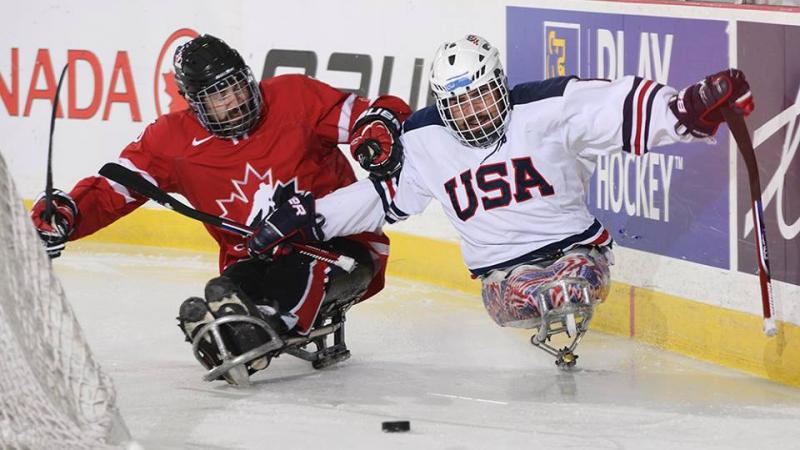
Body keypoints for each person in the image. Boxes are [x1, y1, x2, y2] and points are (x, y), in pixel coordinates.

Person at [247, 34, 754, 367]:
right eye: (457, 102)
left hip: (579, 254)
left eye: (481, 95)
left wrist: (687, 109)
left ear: (501, 85)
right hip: (502, 280)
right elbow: (386, 198)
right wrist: (310, 218)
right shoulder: (425, 138)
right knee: (537, 294)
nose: (470, 112)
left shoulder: (546, 106)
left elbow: (618, 107)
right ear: (441, 104)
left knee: (570, 285)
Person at [30, 34, 410, 379]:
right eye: (217, 95)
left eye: (236, 86)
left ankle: (263, 323)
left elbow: (375, 112)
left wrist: (375, 129)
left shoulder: (294, 97)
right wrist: (69, 214)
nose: (234, 101)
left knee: (302, 266)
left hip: (344, 249)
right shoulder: (171, 141)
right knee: (225, 286)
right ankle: (234, 332)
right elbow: (114, 188)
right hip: (256, 258)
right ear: (195, 104)